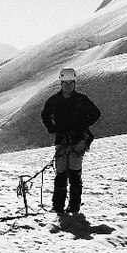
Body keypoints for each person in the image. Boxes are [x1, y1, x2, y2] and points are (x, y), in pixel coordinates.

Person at [40, 67, 101, 216]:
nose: (68, 86)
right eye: (66, 83)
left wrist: (80, 126)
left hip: (76, 140)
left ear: (74, 83)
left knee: (73, 174)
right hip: (65, 140)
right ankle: (59, 206)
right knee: (61, 173)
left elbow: (96, 113)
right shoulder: (57, 101)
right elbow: (45, 115)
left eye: (70, 83)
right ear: (61, 84)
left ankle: (73, 206)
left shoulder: (75, 100)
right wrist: (52, 128)